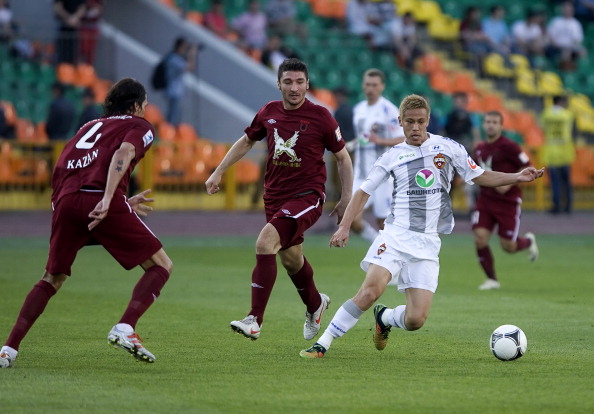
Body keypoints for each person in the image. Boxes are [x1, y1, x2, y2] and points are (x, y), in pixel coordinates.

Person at [299, 94, 544, 359]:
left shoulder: (449, 148)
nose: (415, 127)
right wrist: (345, 226)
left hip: (428, 242)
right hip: (395, 236)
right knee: (370, 291)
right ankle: (322, 344)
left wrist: (517, 176)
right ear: (400, 122)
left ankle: (386, 318)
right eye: (409, 122)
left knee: (416, 320)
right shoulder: (391, 156)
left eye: (420, 122)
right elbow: (363, 192)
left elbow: (480, 175)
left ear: (428, 121)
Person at [0, 78, 173, 368]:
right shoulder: (139, 126)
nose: (145, 111)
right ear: (135, 106)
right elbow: (123, 153)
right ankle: (125, 328)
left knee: (51, 278)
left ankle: (8, 349)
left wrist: (112, 203)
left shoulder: (87, 127)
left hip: (66, 203)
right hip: (99, 200)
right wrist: (108, 199)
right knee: (161, 265)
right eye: (144, 106)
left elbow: (61, 171)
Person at [205, 58, 353, 341]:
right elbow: (247, 140)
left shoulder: (322, 117)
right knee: (291, 258)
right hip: (274, 197)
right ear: (279, 84)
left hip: (308, 196)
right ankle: (315, 304)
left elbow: (342, 158)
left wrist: (345, 199)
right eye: (288, 82)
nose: (294, 88)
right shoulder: (268, 112)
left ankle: (254, 319)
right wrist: (218, 171)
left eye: (300, 82)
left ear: (308, 84)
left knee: (265, 242)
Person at [472, 111, 539, 291]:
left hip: (507, 202)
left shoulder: (510, 147)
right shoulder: (480, 149)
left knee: (508, 246)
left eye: (495, 122)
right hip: (485, 200)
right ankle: (492, 279)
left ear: (501, 126)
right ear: (484, 124)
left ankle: (529, 242)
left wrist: (509, 184)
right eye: (488, 121)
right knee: (480, 238)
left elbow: (528, 165)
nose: (491, 125)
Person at [349, 68, 404, 243]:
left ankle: (391, 257)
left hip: (383, 175)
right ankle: (378, 246)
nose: (370, 88)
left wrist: (379, 140)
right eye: (367, 84)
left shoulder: (389, 110)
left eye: (374, 85)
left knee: (383, 222)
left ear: (382, 87)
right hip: (361, 174)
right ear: (363, 86)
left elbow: (404, 138)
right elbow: (363, 138)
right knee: (351, 219)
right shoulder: (358, 109)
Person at [442, 91, 481, 213]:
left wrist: (475, 145)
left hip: (464, 146)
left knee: (470, 177)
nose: (458, 103)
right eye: (456, 100)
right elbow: (442, 132)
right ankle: (446, 208)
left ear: (465, 102)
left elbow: (475, 133)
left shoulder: (471, 116)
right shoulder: (448, 116)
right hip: (450, 146)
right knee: (448, 178)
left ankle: (473, 207)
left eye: (461, 101)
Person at [541, 95, 576, 214]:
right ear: (561, 102)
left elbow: (543, 127)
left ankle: (556, 206)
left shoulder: (546, 114)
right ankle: (568, 206)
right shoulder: (567, 114)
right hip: (565, 149)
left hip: (551, 149)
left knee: (554, 181)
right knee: (566, 180)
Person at [164, 36, 197, 127]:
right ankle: (168, 134)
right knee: (172, 118)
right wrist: (192, 54)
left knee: (175, 116)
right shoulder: (174, 59)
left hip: (176, 91)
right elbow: (190, 67)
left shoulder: (175, 58)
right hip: (173, 91)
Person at [546, 1, 586, 71]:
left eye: (569, 9)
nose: (567, 10)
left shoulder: (576, 23)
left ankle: (581, 72)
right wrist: (555, 44)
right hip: (556, 45)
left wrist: (572, 46)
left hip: (570, 46)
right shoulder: (556, 21)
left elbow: (577, 39)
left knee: (582, 52)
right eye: (565, 8)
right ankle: (564, 72)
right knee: (566, 52)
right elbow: (549, 35)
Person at [79, 0, 103, 65]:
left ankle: (89, 67)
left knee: (91, 51)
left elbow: (99, 9)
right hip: (84, 27)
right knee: (83, 48)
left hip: (93, 28)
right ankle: (80, 66)